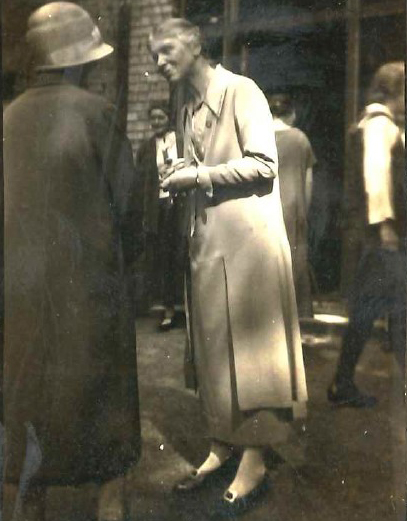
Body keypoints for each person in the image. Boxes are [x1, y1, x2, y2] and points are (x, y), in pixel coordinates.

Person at [149, 18, 307, 513]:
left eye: (166, 50)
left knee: (251, 356)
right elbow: (202, 170)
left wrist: (196, 176)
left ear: (195, 45)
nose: (159, 62)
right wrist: (181, 174)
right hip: (209, 245)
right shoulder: (187, 107)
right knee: (214, 351)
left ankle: (254, 459)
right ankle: (223, 444)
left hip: (248, 249)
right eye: (154, 55)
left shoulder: (242, 91)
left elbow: (264, 164)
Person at [3, 3, 143, 519]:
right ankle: (110, 505)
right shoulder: (96, 113)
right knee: (106, 408)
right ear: (78, 62)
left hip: (20, 290)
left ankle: (30, 504)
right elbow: (129, 207)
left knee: (27, 402)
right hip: (91, 287)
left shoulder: (7, 119)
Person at [328, 62, 405, 407]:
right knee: (393, 310)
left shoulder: (377, 124)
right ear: (395, 92)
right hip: (384, 235)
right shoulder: (379, 125)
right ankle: (342, 384)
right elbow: (377, 176)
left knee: (371, 309)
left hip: (381, 235)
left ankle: (342, 383)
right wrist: (385, 225)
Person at [137, 101, 185, 329]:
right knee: (164, 258)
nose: (156, 122)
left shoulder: (181, 141)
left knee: (183, 254)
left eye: (161, 118)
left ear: (169, 119)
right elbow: (141, 181)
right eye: (153, 118)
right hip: (159, 208)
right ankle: (168, 310)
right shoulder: (147, 148)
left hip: (181, 205)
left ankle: (190, 308)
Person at [268, 94, 315, 318]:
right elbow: (308, 181)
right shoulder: (300, 139)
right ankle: (298, 313)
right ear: (291, 114)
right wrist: (305, 209)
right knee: (295, 258)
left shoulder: (261, 136)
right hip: (293, 208)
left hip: (266, 207)